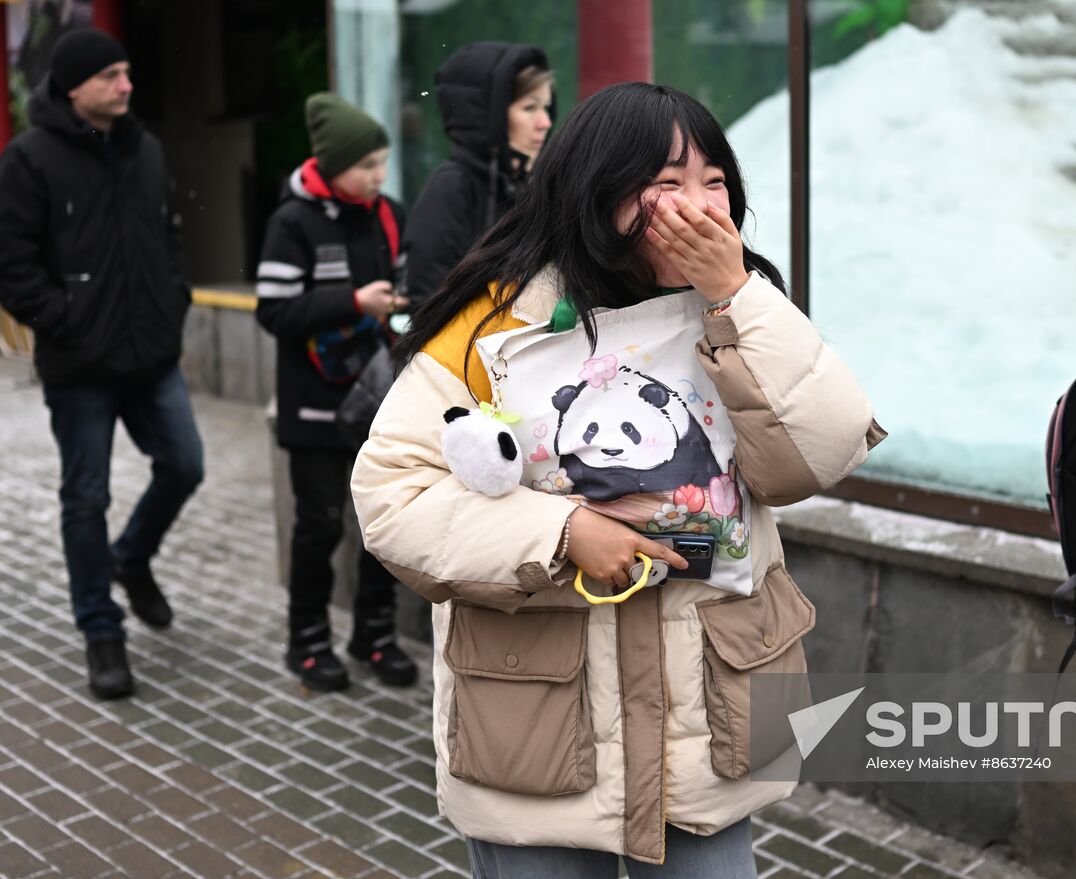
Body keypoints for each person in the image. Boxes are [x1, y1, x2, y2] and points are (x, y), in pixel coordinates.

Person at [351, 83, 883, 876]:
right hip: (538, 733)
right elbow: (393, 497)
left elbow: (825, 447)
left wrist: (738, 297)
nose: (697, 206)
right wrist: (560, 534)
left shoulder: (739, 306)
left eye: (714, 182)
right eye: (665, 184)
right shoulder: (497, 320)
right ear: (595, 191)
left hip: (706, 732)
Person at [0, 28, 204, 701]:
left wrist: (173, 302)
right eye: (112, 75)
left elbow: (169, 239)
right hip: (80, 366)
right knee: (85, 497)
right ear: (75, 85)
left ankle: (131, 558)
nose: (127, 85)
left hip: (151, 355)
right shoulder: (28, 160)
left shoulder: (144, 148)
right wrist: (69, 318)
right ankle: (101, 629)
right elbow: (12, 265)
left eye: (126, 71)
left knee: (185, 464)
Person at [255, 93, 417, 692]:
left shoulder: (389, 214)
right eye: (367, 166)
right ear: (330, 164)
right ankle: (307, 642)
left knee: (381, 524)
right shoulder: (290, 223)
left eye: (383, 164)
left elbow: (409, 287)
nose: (378, 177)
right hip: (314, 407)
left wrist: (398, 306)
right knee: (319, 526)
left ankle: (374, 638)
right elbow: (273, 310)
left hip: (379, 401)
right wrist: (350, 303)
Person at [403, 42, 552, 306]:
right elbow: (427, 300)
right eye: (530, 108)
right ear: (488, 115)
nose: (545, 123)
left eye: (546, 108)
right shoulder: (451, 188)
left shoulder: (529, 187)